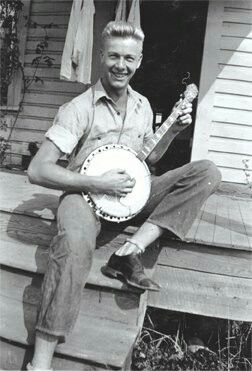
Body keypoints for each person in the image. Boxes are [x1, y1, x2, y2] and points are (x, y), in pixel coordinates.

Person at [27, 21, 221, 370]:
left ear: (140, 60)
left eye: (129, 58)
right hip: (83, 197)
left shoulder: (143, 107)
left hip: (131, 196)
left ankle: (131, 250)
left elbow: (146, 159)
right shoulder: (79, 108)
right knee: (72, 246)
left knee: (206, 171)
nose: (121, 65)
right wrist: (98, 184)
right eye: (114, 55)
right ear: (101, 56)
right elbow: (38, 170)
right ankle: (40, 362)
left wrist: (173, 132)